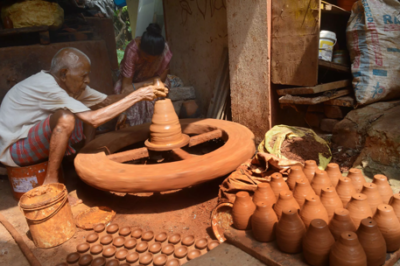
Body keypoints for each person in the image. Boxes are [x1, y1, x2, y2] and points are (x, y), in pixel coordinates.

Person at [0, 47, 167, 187]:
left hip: (29, 137)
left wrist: (141, 90)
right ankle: (51, 183)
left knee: (86, 107)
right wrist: (138, 96)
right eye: (83, 76)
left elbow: (106, 101)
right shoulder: (47, 85)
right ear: (64, 74)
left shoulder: (68, 84)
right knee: (66, 118)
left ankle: (86, 157)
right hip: (14, 149)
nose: (88, 80)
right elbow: (94, 119)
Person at [114, 23, 172, 127]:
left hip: (148, 83)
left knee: (162, 89)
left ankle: (154, 126)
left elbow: (162, 78)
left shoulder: (164, 50)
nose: (150, 61)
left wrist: (137, 87)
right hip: (132, 81)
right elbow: (126, 86)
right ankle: (135, 130)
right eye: (146, 56)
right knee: (121, 92)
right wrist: (123, 111)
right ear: (140, 46)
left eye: (154, 59)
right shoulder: (132, 50)